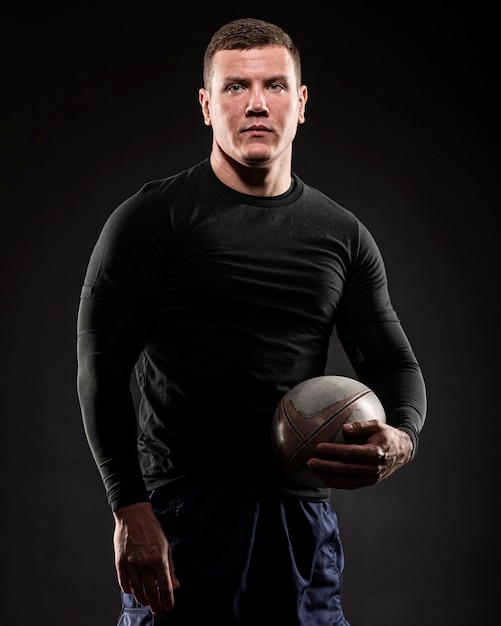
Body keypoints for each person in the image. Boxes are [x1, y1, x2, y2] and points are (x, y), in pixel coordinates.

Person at [76, 17, 427, 626]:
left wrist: (401, 437)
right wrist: (127, 506)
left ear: (301, 101)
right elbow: (101, 365)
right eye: (236, 87)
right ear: (208, 105)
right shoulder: (152, 219)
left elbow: (394, 365)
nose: (257, 103)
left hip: (300, 522)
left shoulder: (342, 235)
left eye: (275, 85)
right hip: (181, 516)